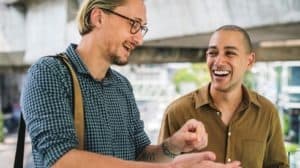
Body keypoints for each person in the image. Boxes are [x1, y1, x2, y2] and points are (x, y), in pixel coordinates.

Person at [21, 0, 242, 168]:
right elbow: (60, 159)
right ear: (98, 17)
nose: (139, 39)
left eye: (142, 28)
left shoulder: (121, 86)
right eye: (134, 24)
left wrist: (174, 146)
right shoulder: (50, 72)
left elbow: (141, 155)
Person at [158, 25, 289, 168]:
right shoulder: (177, 112)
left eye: (230, 53)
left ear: (249, 61)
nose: (218, 62)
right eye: (213, 53)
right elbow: (156, 165)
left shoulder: (267, 112)